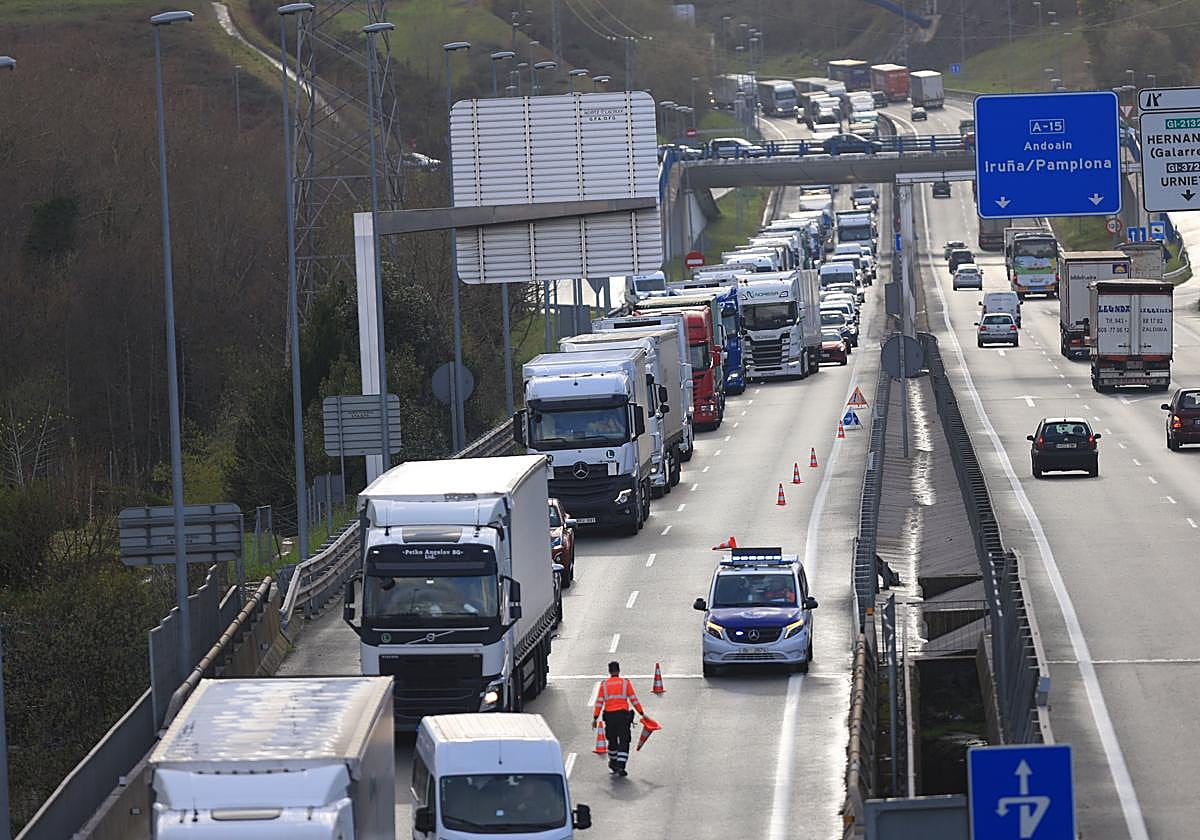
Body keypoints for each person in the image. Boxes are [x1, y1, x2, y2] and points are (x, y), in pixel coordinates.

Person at [591, 660, 645, 777]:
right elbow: (633, 699)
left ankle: (613, 762)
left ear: (609, 671)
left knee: (612, 740)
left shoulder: (604, 685)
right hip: (623, 717)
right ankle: (621, 766)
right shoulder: (625, 683)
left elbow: (599, 702)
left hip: (610, 717)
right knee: (624, 741)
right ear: (619, 670)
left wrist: (595, 717)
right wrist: (641, 713)